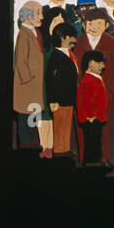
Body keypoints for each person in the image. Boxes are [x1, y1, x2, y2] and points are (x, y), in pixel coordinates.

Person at [72, 6, 114, 163]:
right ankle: (83, 158)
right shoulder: (78, 42)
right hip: (82, 92)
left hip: (104, 93)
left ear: (107, 26)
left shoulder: (111, 42)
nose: (95, 27)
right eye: (91, 23)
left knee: (104, 127)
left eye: (100, 23)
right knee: (82, 126)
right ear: (84, 25)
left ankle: (103, 157)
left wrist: (110, 91)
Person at [13, 3, 51, 153]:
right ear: (29, 17)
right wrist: (30, 80)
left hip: (35, 86)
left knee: (33, 115)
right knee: (27, 117)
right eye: (38, 13)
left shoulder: (35, 32)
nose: (42, 16)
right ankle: (26, 144)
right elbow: (21, 62)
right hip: (28, 87)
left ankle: (30, 142)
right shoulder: (24, 34)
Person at [44, 23, 80, 161]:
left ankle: (64, 149)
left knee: (66, 126)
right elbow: (51, 79)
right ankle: (60, 152)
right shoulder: (57, 56)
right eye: (71, 37)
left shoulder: (68, 54)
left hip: (68, 99)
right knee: (60, 126)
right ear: (63, 38)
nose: (74, 40)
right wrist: (52, 100)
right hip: (60, 99)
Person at [76, 50, 109, 168]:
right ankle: (91, 164)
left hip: (97, 119)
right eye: (99, 62)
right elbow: (84, 100)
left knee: (96, 142)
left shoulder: (95, 78)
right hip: (92, 119)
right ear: (90, 63)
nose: (103, 66)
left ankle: (93, 162)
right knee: (92, 143)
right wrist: (90, 116)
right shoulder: (89, 80)